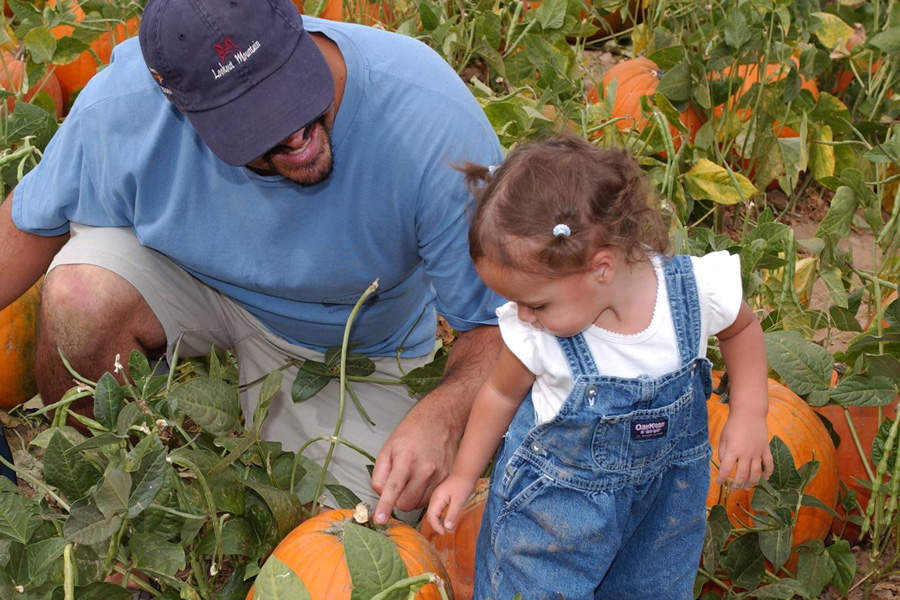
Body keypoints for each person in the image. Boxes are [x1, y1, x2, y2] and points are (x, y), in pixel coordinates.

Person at [0, 0, 505, 519]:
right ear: (177, 102)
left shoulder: (430, 120)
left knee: (357, 538)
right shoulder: (125, 105)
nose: (293, 135)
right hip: (187, 277)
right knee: (79, 300)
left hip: (346, 345)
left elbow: (501, 326)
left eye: (289, 88)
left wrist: (443, 412)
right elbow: (26, 223)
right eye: (252, 119)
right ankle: (107, 515)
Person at [425, 135, 774, 599]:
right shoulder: (539, 334)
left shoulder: (690, 292)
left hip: (661, 519)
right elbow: (500, 394)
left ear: (601, 268)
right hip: (552, 524)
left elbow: (741, 328)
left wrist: (750, 413)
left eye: (535, 302)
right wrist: (464, 474)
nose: (523, 315)